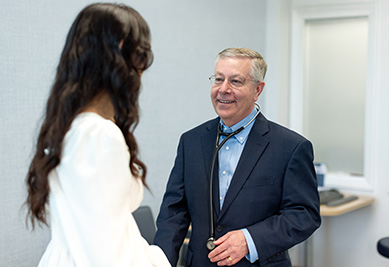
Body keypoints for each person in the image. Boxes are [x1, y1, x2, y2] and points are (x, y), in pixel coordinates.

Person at [25, 3, 170, 266]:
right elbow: (108, 255)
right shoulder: (97, 136)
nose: (141, 72)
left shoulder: (70, 128)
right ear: (119, 53)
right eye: (140, 56)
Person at [154, 47, 321, 267]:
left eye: (236, 81)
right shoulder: (191, 141)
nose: (223, 89)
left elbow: (304, 215)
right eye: (218, 79)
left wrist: (249, 239)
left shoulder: (290, 147)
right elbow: (173, 213)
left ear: (257, 90)